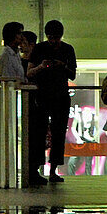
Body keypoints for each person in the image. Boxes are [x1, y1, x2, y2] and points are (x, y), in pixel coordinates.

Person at [27, 19, 77, 184]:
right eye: (51, 38)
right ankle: (38, 169)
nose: (54, 41)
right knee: (40, 132)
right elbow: (29, 72)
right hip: (44, 95)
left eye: (56, 38)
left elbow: (72, 74)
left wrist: (62, 66)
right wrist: (42, 66)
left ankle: (53, 169)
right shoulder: (40, 49)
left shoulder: (68, 49)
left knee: (58, 133)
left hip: (59, 96)